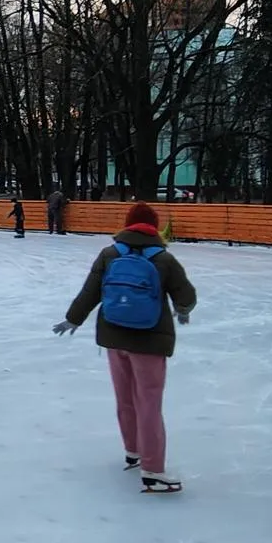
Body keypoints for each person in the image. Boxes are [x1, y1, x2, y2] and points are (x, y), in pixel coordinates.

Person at [52, 202, 197, 494]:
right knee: (149, 403)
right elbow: (187, 294)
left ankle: (133, 451)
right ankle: (153, 470)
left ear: (127, 225)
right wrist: (183, 309)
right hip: (150, 339)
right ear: (154, 227)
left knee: (125, 398)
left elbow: (89, 292)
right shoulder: (164, 259)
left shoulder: (109, 254)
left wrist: (72, 319)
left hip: (114, 337)